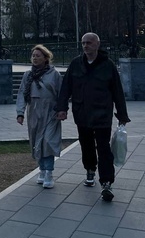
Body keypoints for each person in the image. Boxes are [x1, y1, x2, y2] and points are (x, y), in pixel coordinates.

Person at [55, 32, 130, 202]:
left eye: (89, 42)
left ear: (97, 44)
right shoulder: (76, 64)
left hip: (102, 113)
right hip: (81, 112)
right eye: (83, 43)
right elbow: (66, 87)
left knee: (103, 148)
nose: (85, 46)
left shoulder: (108, 65)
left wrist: (122, 115)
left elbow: (117, 91)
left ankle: (106, 182)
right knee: (86, 144)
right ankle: (90, 169)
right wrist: (62, 108)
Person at [16, 44, 62, 189]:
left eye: (38, 56)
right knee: (37, 141)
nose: (35, 58)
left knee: (48, 140)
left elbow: (61, 93)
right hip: (34, 111)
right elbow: (22, 93)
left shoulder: (54, 74)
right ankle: (41, 169)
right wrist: (20, 113)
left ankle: (49, 172)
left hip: (50, 111)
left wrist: (62, 109)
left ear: (45, 58)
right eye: (33, 56)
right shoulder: (28, 75)